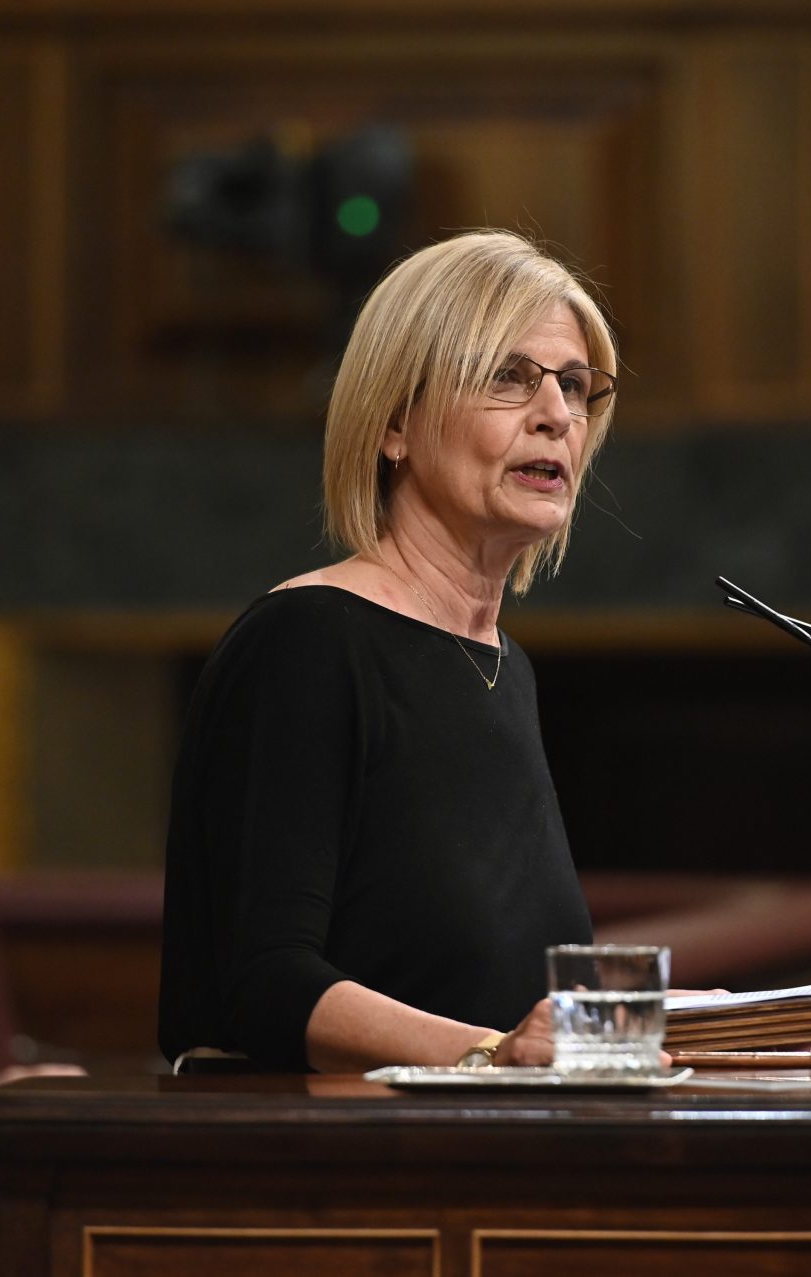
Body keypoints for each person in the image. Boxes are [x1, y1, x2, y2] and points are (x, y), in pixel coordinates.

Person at [159, 230, 621, 1073]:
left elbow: (496, 984)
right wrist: (494, 1053)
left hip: (491, 1156)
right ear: (396, 423)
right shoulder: (308, 643)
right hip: (340, 1175)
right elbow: (262, 981)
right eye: (508, 376)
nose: (556, 413)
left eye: (576, 385)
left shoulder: (503, 668)